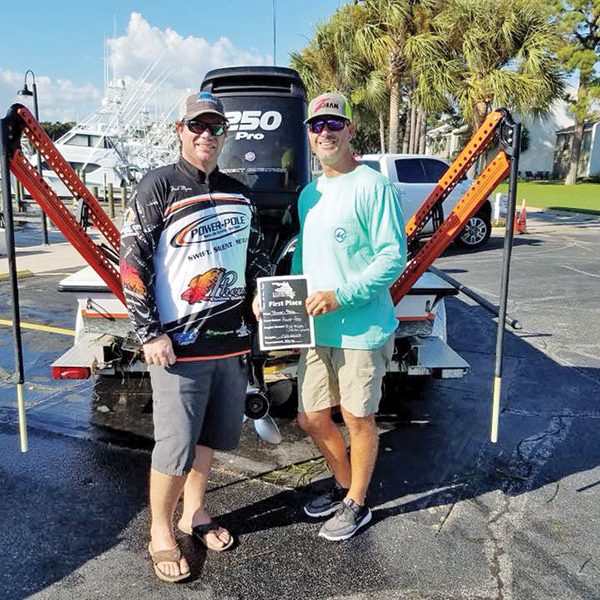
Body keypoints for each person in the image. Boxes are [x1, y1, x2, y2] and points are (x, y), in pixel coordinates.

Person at [120, 91, 271, 582]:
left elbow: (257, 256)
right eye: (197, 126)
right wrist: (149, 331)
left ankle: (195, 512)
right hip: (177, 348)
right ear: (179, 131)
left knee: (210, 438)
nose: (207, 135)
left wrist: (259, 296)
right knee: (175, 446)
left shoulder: (240, 191)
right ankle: (161, 531)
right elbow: (131, 265)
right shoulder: (158, 186)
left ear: (224, 134)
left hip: (231, 345)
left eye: (215, 127)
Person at [291, 92, 407, 541]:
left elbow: (391, 257)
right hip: (316, 328)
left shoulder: (373, 186)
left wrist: (341, 295)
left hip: (362, 328)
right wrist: (281, 296)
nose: (325, 132)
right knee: (311, 417)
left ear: (351, 130)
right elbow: (304, 254)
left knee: (358, 418)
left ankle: (357, 503)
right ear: (309, 134)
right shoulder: (309, 193)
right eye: (317, 126)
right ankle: (343, 486)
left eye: (333, 124)